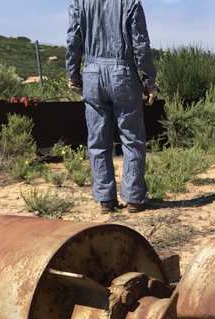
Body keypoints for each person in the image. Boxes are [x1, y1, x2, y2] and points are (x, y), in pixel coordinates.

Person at [66, 0, 159, 213]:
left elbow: (73, 40)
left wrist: (73, 75)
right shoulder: (131, 3)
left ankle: (105, 199)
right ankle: (134, 198)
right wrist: (148, 80)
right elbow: (140, 44)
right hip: (123, 74)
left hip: (91, 74)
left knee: (98, 141)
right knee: (132, 139)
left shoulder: (79, 3)